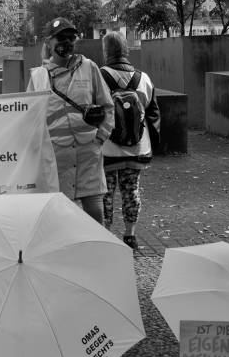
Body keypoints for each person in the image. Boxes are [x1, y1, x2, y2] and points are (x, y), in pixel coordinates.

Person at [27, 17, 114, 224]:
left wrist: (100, 137)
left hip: (88, 153)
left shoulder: (89, 67)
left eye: (70, 38)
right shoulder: (39, 76)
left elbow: (108, 106)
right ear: (48, 42)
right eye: (60, 38)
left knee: (95, 213)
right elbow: (30, 120)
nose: (66, 43)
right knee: (62, 217)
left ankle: (96, 254)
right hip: (58, 157)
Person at [99, 31, 160, 250]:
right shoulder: (143, 78)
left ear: (107, 51)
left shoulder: (99, 76)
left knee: (106, 191)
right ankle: (130, 235)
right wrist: (155, 144)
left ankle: (105, 234)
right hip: (137, 148)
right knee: (131, 189)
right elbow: (153, 114)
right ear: (126, 50)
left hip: (107, 148)